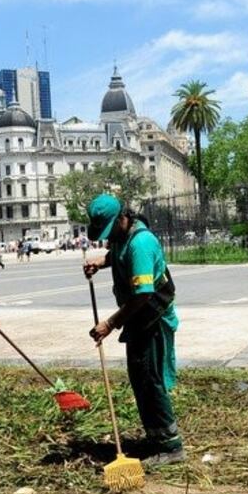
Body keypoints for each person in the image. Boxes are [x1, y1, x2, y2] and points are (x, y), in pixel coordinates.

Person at [83, 194, 185, 467]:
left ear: (122, 218)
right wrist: (100, 263)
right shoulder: (122, 236)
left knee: (150, 379)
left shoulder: (140, 243)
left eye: (109, 230)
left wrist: (110, 324)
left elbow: (142, 295)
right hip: (139, 318)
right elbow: (116, 253)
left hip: (153, 317)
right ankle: (155, 438)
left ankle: (171, 446)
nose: (108, 237)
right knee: (139, 376)